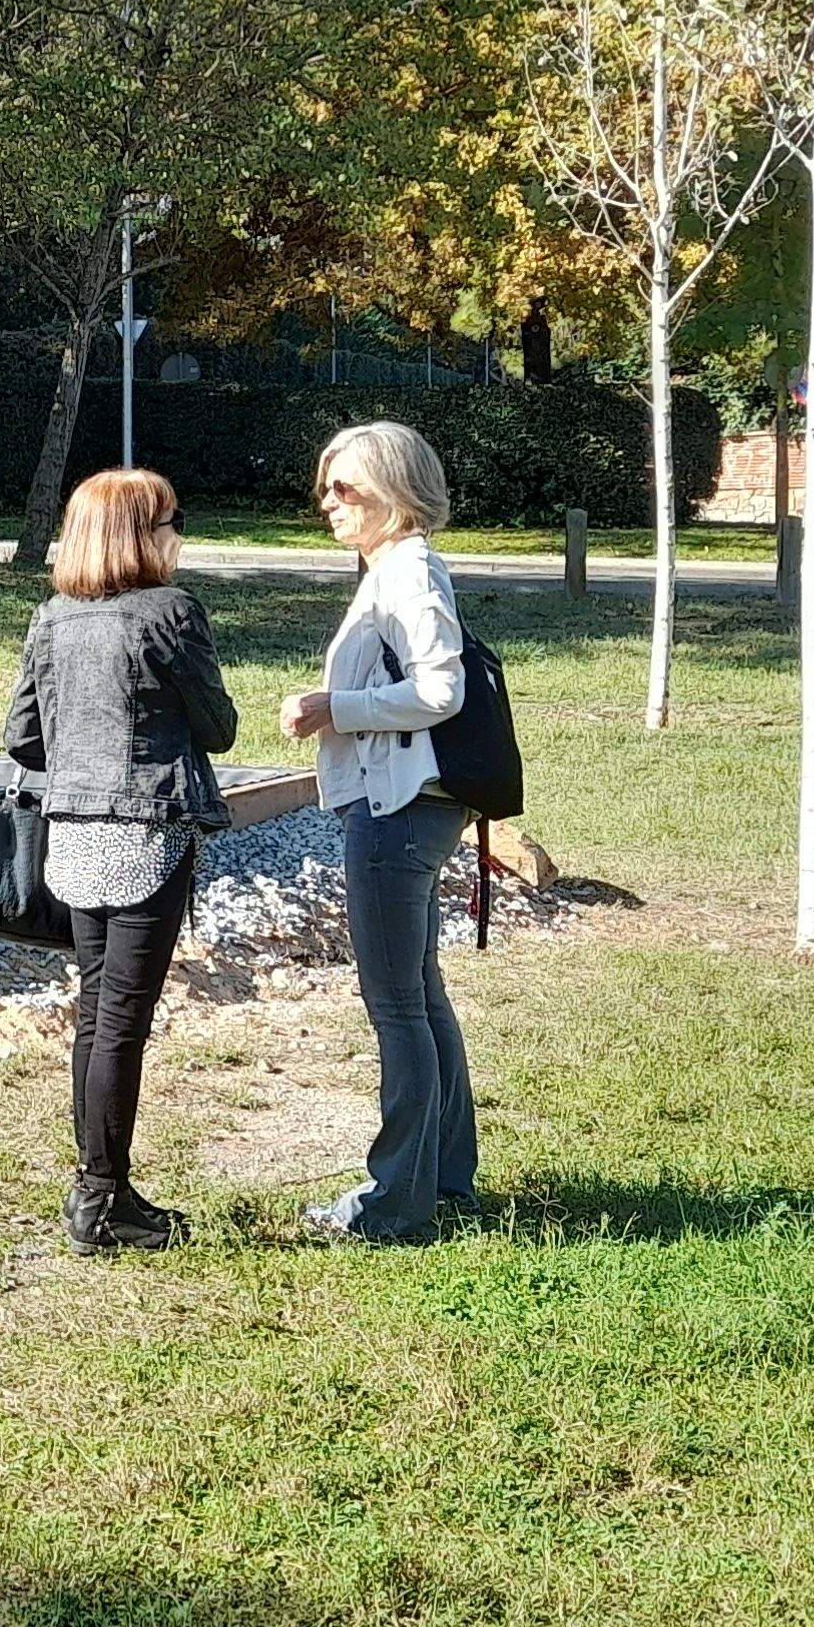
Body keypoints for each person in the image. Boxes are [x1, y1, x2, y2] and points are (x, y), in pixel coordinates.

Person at [4, 468, 238, 1253]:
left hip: (73, 835)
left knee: (96, 1015)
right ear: (144, 535)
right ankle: (103, 1202)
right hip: (147, 835)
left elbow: (22, 738)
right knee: (122, 1026)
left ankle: (97, 1185)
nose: (181, 536)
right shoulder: (171, 612)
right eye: (174, 522)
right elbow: (219, 727)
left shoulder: (52, 617)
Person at [278, 421, 475, 1244]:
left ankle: (394, 1204)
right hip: (408, 803)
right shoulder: (396, 568)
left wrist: (336, 708)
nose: (327, 500)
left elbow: (440, 691)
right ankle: (444, 1179)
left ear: (393, 490)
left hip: (396, 810)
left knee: (396, 1005)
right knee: (418, 996)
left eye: (345, 486)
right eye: (325, 485)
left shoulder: (408, 572)